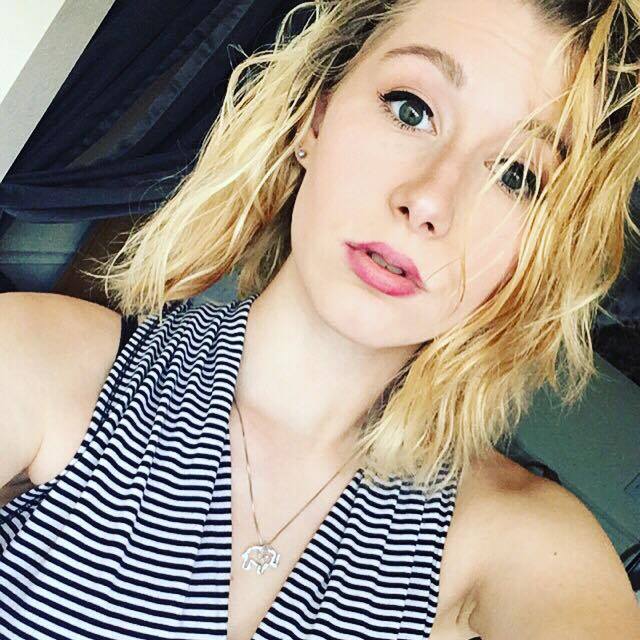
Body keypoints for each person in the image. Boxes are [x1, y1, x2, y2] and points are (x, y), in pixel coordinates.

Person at [1, 0, 640, 637]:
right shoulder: (42, 358)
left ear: (546, 249)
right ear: (316, 117)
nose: (428, 201)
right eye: (411, 110)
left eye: (517, 175)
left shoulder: (528, 543)